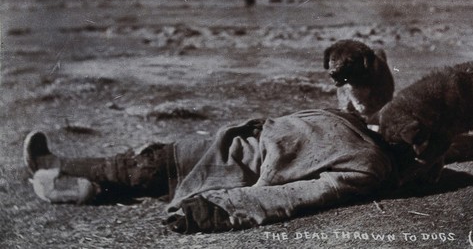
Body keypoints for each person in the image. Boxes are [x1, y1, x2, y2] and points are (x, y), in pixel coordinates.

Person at [24, 108, 395, 234]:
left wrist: (219, 209)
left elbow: (293, 196)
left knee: (137, 166)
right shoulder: (352, 125)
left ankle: (53, 166)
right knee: (144, 170)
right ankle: (86, 189)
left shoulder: (365, 162)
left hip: (216, 164)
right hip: (216, 155)